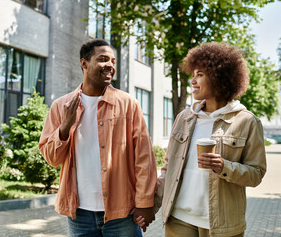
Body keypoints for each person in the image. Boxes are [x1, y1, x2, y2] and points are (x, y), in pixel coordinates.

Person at [138, 42, 267, 236]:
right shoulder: (185, 118)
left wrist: (224, 166)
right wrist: (151, 206)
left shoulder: (247, 121)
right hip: (178, 219)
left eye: (200, 74)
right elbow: (168, 168)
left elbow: (256, 173)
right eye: (192, 75)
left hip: (221, 225)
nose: (193, 81)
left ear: (219, 77)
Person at [39, 39, 157, 236]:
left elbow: (144, 158)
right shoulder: (62, 106)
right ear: (84, 63)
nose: (110, 65)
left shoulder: (128, 104)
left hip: (122, 212)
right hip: (80, 214)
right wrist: (64, 127)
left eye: (112, 61)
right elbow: (52, 158)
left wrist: (145, 203)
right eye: (103, 59)